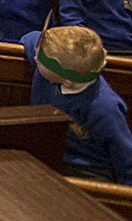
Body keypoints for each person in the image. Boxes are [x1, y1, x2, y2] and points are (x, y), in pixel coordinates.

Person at [23, 24, 132, 184]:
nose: (35, 58)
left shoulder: (104, 108)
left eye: (40, 62)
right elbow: (31, 37)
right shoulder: (46, 59)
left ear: (67, 82)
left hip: (86, 170)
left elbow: (123, 154)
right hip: (46, 155)